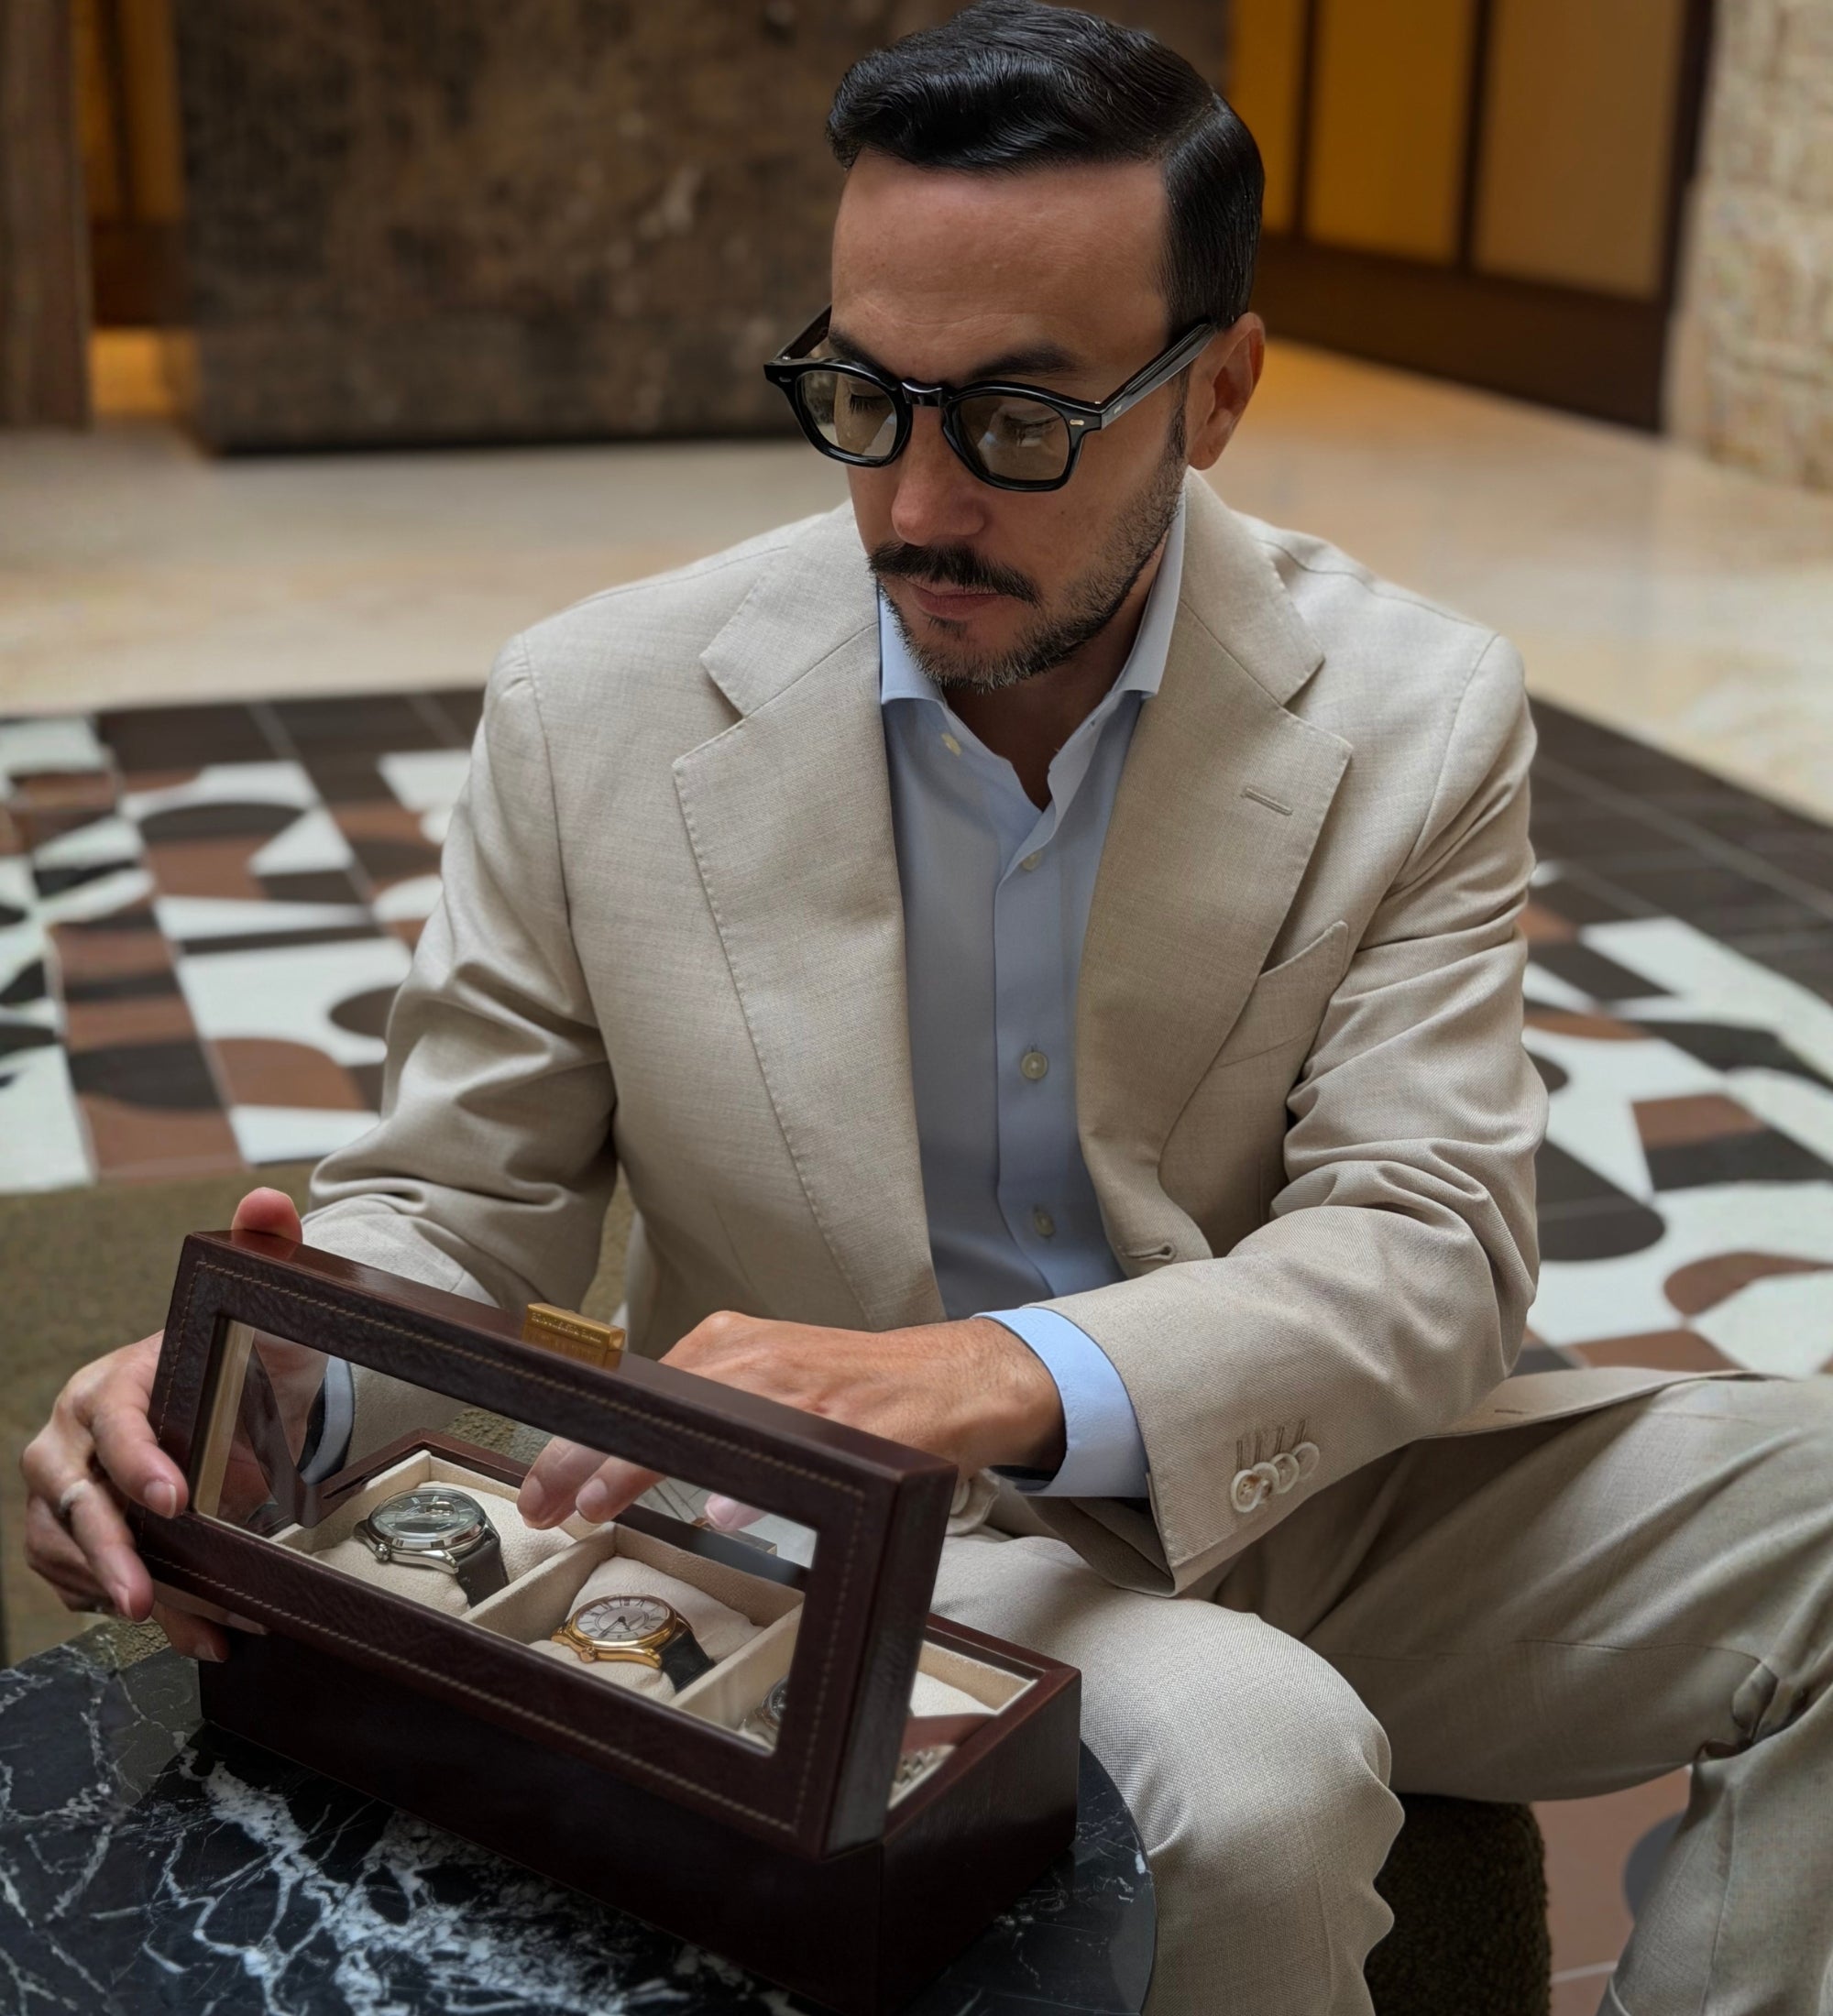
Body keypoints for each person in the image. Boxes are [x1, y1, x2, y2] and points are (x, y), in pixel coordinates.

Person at [24, 5, 1832, 2011]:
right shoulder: (594, 707)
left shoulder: (1418, 711)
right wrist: (252, 1390)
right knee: (1261, 1773)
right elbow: (461, 1203)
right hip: (828, 1534)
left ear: (1217, 391)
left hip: (1300, 1473)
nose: (917, 503)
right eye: (866, 398)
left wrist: (991, 1367)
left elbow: (1431, 1239)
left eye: (1019, 420)